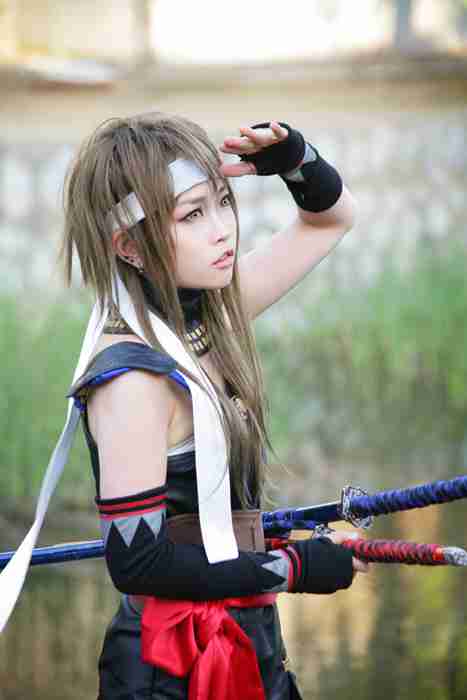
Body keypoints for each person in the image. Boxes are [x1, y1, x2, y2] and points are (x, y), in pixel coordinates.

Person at [62, 112, 367, 700]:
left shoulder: (214, 315)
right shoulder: (132, 380)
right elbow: (137, 564)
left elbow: (331, 219)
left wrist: (297, 162)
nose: (223, 230)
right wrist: (295, 570)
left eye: (223, 203)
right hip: (166, 669)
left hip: (250, 640)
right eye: (193, 215)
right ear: (129, 245)